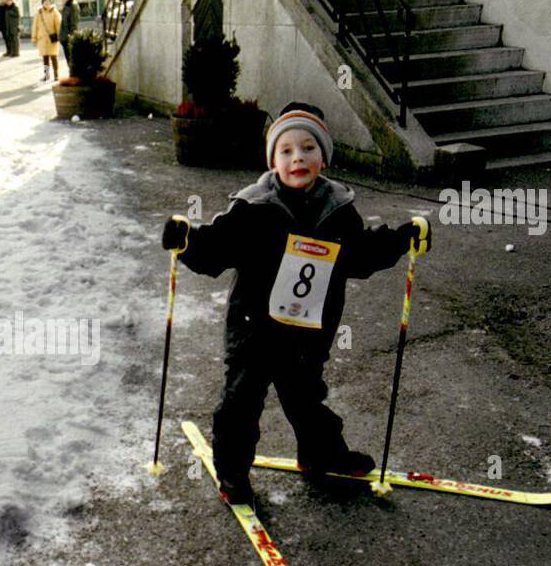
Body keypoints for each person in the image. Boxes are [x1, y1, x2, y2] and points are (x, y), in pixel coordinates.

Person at [161, 103, 431, 509]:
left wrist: (401, 240)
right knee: (241, 402)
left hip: (306, 331)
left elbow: (360, 254)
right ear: (273, 161)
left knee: (306, 399)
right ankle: (232, 472)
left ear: (323, 157)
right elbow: (218, 246)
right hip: (254, 328)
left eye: (308, 148)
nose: (297, 158)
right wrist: (187, 242)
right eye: (286, 151)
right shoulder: (254, 207)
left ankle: (322, 456)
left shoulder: (337, 210)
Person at [31, 0, 62, 82]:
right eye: (45, 2)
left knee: (54, 57)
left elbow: (59, 26)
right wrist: (34, 38)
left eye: (49, 1)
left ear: (51, 2)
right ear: (42, 3)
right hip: (42, 39)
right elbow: (35, 26)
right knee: (45, 58)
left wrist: (59, 36)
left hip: (52, 38)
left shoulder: (55, 12)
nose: (47, 3)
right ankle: (46, 75)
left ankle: (56, 75)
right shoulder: (38, 13)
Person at [59, 0, 80, 67]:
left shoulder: (73, 5)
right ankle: (72, 74)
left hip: (69, 37)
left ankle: (74, 76)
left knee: (72, 59)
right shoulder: (67, 5)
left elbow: (74, 23)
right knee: (69, 59)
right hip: (65, 37)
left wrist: (70, 37)